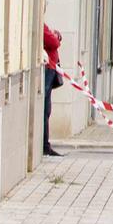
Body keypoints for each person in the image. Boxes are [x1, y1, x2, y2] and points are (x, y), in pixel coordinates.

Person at [41, 22, 63, 157]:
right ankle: (44, 145)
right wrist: (54, 37)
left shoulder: (44, 26)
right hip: (48, 70)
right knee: (45, 109)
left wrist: (54, 35)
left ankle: (45, 144)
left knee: (47, 110)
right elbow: (54, 42)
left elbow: (55, 39)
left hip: (51, 70)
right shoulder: (41, 26)